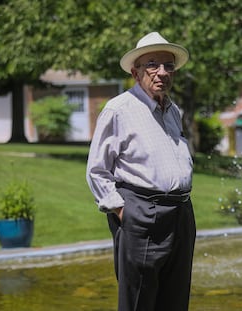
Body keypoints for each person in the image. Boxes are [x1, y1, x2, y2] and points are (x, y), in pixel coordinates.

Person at [86, 32, 196, 311]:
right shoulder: (119, 110)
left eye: (168, 66)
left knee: (175, 299)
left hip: (181, 214)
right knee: (139, 302)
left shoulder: (173, 111)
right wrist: (124, 212)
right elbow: (97, 170)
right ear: (136, 73)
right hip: (142, 214)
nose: (162, 72)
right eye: (152, 65)